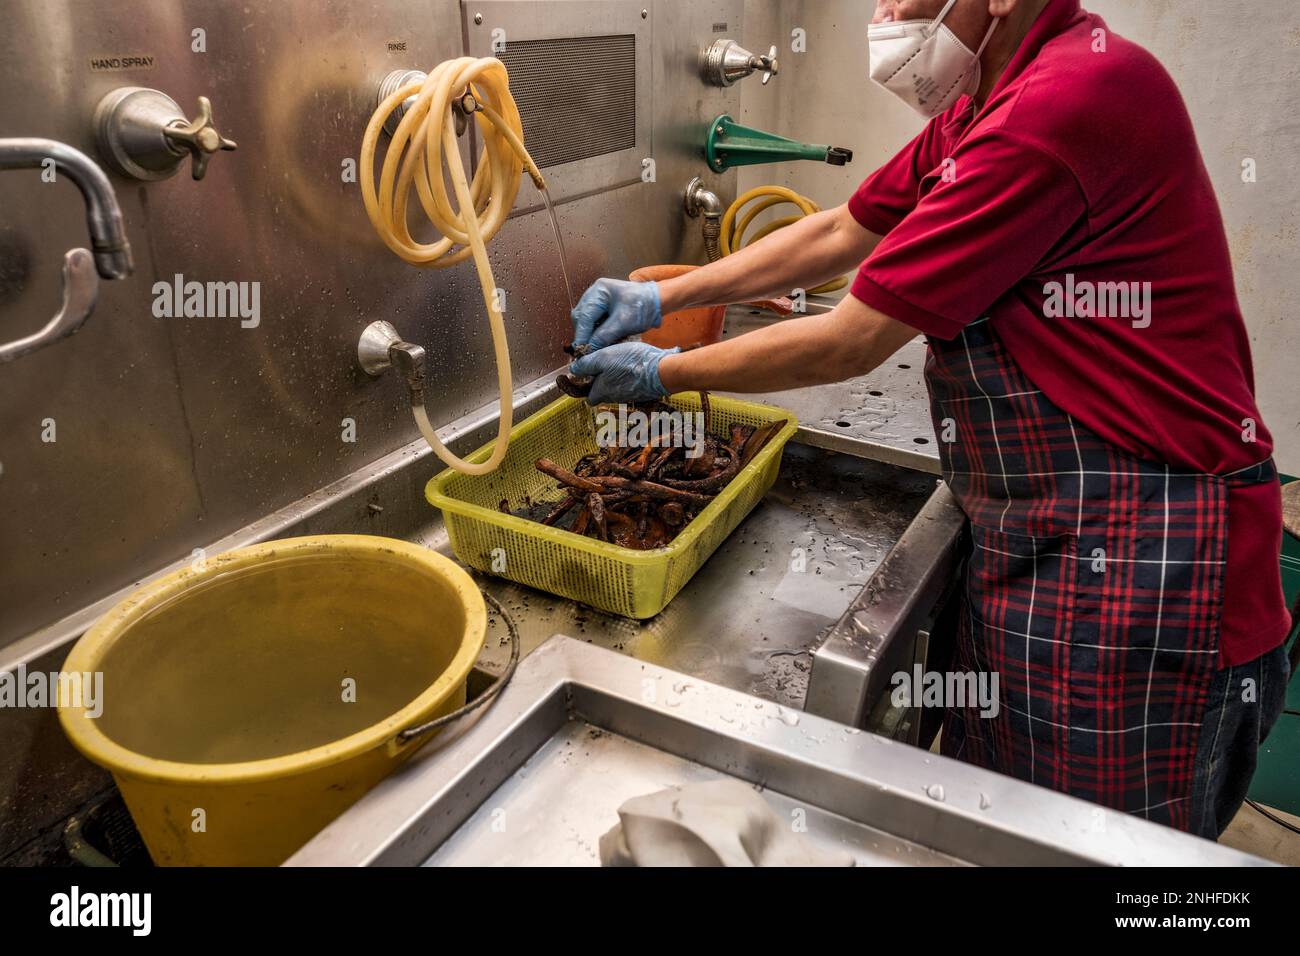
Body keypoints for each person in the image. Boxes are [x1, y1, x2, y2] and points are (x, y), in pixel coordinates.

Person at [565, 0, 1291, 838]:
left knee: (1085, 860)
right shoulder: (987, 107)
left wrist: (662, 373)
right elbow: (843, 230)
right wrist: (664, 293)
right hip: (1042, 544)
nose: (884, 13)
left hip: (1148, 569)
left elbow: (851, 339)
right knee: (992, 838)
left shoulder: (1065, 103)